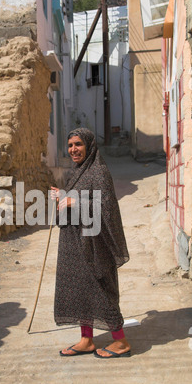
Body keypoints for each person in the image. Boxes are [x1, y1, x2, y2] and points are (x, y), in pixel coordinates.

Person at [51, 128, 131, 359]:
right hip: (74, 242)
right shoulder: (77, 171)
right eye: (70, 146)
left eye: (78, 144)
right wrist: (63, 196)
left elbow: (105, 209)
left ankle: (121, 341)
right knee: (80, 290)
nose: (73, 150)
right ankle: (86, 340)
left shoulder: (99, 172)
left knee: (101, 289)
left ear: (89, 145)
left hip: (95, 245)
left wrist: (73, 202)